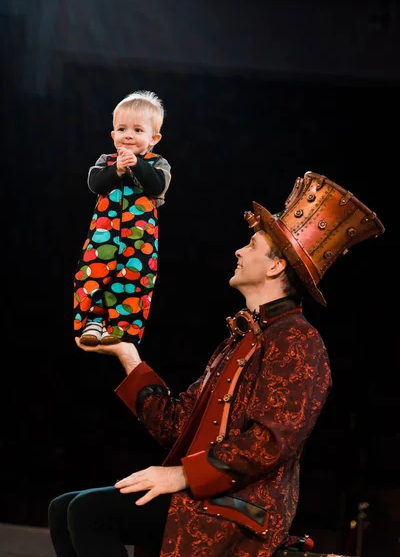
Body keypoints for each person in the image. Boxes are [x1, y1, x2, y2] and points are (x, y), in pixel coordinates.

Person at [51, 172, 384, 557]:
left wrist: (180, 474)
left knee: (89, 512)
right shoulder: (240, 340)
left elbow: (271, 442)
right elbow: (175, 425)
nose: (239, 251)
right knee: (63, 509)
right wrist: (129, 356)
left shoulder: (297, 340)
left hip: (242, 507)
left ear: (276, 268)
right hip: (208, 494)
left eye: (252, 245)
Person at [73, 90, 171, 346]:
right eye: (122, 129)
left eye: (138, 130)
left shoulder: (158, 164)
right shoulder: (106, 161)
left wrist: (137, 165)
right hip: (103, 235)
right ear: (113, 135)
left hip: (139, 240)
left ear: (154, 138)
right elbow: (95, 184)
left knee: (132, 280)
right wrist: (117, 169)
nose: (128, 135)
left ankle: (120, 329)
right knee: (92, 273)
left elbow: (156, 185)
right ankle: (93, 321)